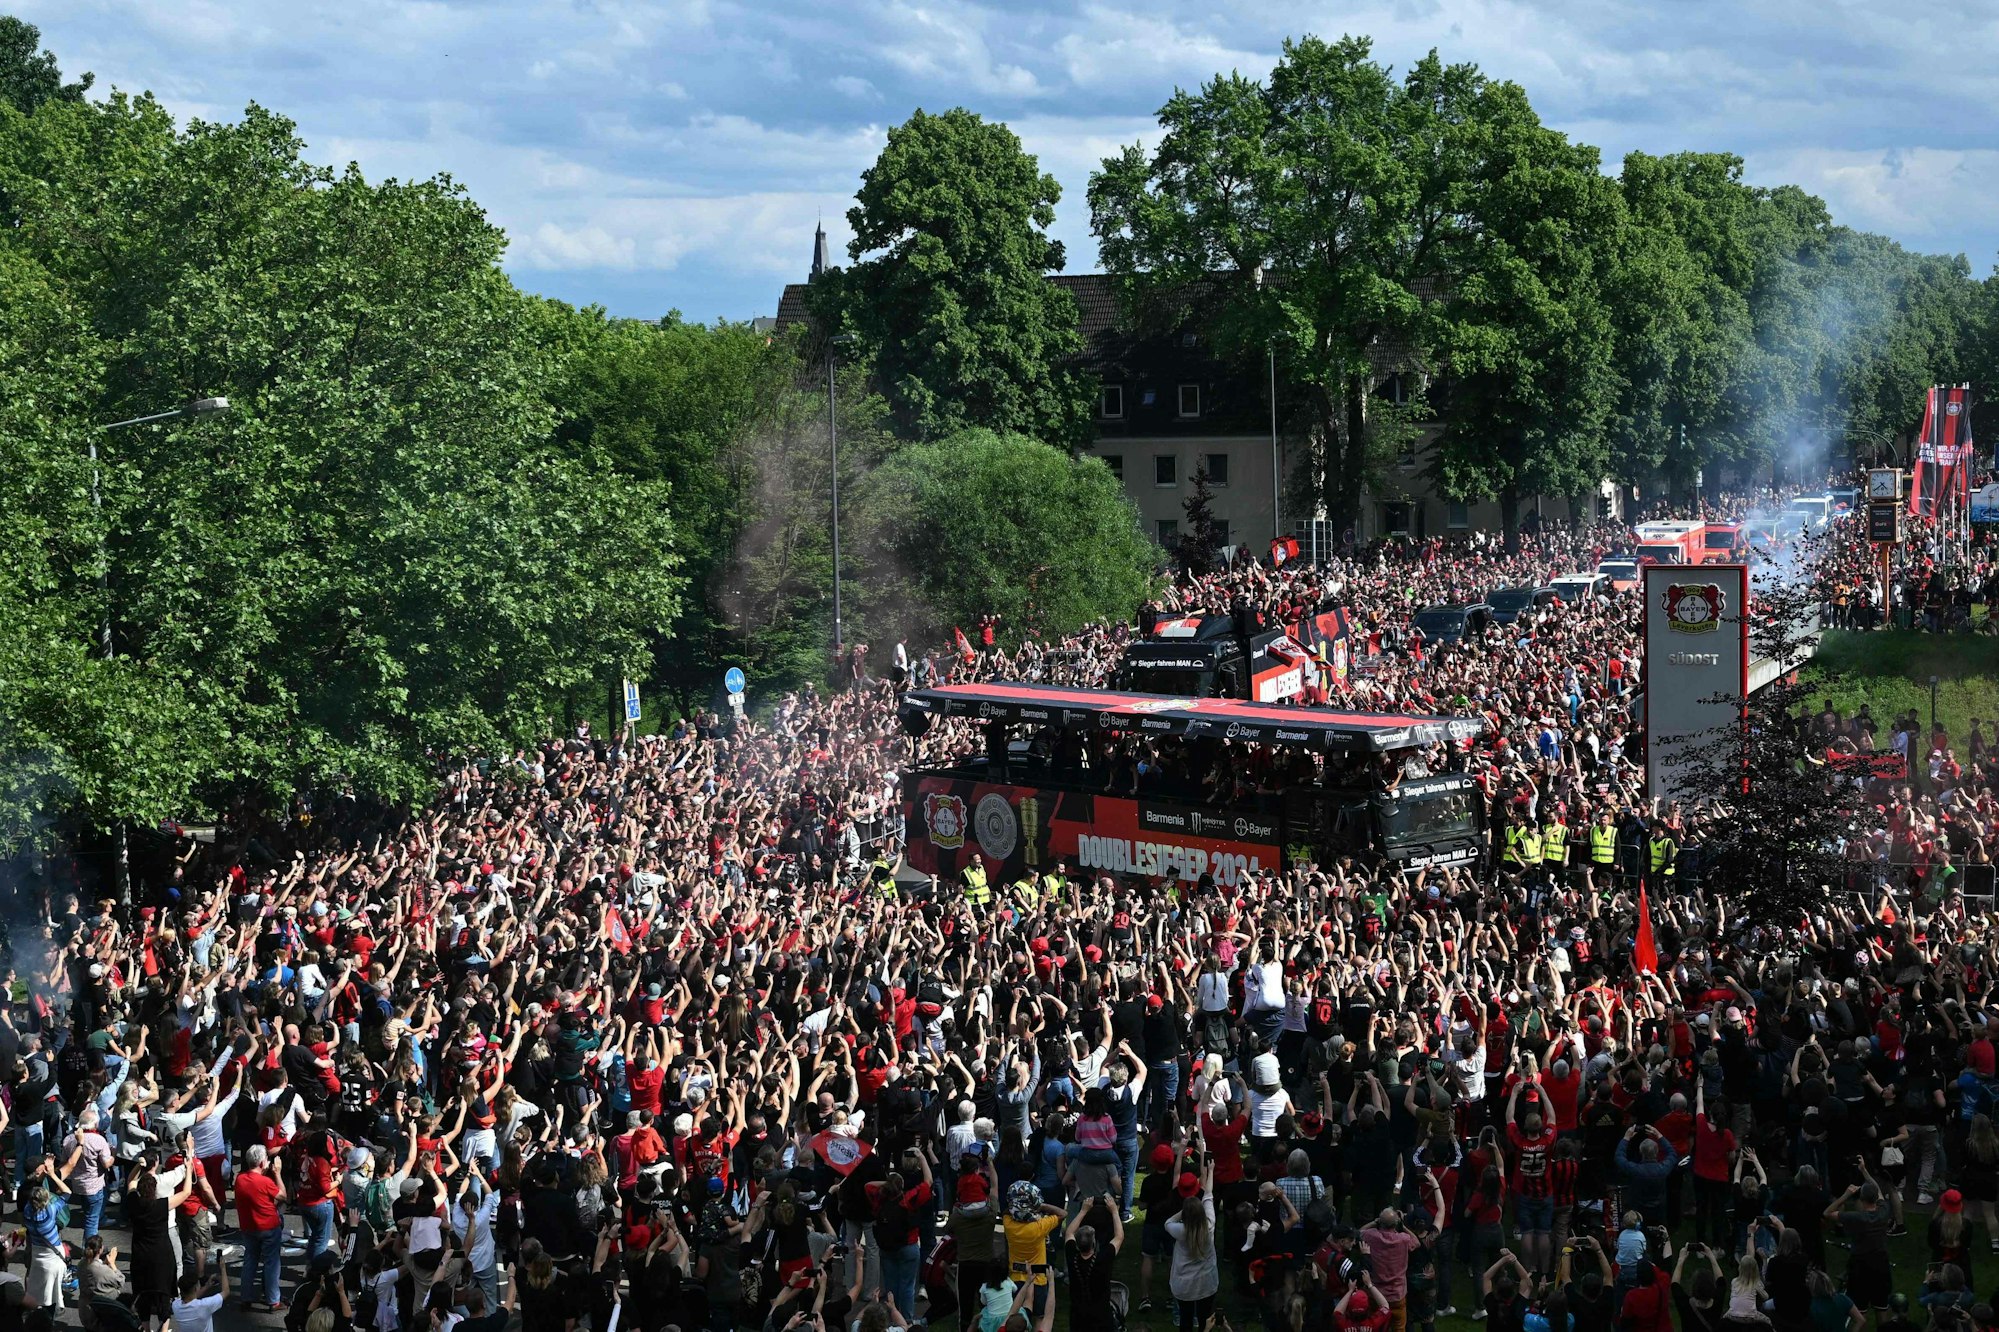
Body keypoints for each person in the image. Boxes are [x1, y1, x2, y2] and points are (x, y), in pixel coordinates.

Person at [234, 1142, 289, 1312]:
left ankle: (246, 1297)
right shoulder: (265, 1182)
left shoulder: (240, 1179)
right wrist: (277, 1174)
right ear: (262, 1163)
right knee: (272, 1263)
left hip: (248, 1227)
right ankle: (273, 1300)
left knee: (250, 1260)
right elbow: (283, 1195)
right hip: (268, 1227)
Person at [1165, 1160, 1219, 1332]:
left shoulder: (1180, 1230)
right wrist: (1210, 1171)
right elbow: (1208, 1192)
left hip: (1184, 1285)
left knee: (1185, 1321)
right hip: (1206, 1282)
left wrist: (1184, 1212)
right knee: (1205, 1320)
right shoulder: (1209, 1224)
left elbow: (1167, 1222)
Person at [169, 1266, 231, 1332]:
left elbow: (191, 1296)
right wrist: (223, 1268)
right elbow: (226, 1292)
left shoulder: (175, 1305)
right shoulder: (204, 1306)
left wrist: (207, 1285)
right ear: (196, 1288)